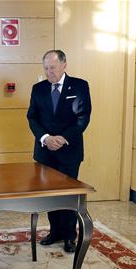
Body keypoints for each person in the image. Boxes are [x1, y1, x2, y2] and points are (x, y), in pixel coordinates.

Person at [27, 50, 92, 253]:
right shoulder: (38, 89)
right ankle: (54, 232)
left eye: (52, 68)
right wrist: (46, 138)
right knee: (50, 195)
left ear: (64, 65)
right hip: (45, 151)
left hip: (69, 151)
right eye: (45, 68)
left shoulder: (80, 86)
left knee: (68, 195)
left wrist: (63, 138)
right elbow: (32, 117)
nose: (49, 72)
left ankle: (69, 236)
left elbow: (83, 117)